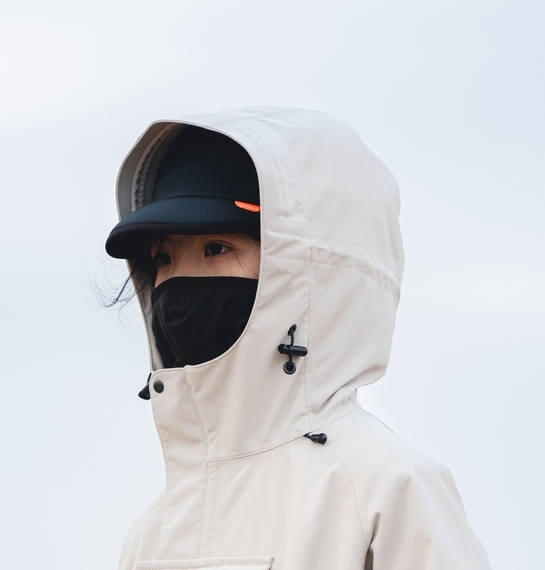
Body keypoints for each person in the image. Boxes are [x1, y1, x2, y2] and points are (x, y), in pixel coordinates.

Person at [105, 108, 492, 570]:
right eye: (163, 259)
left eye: (216, 248)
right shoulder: (151, 533)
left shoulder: (387, 490)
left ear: (303, 268)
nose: (179, 282)